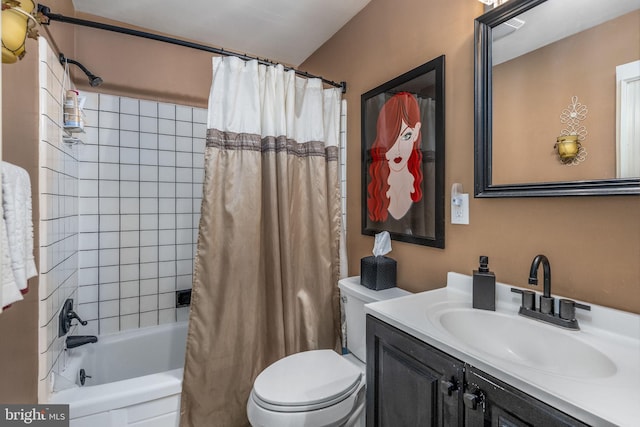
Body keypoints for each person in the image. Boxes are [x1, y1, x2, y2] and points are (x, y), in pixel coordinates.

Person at [367, 92, 423, 225]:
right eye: (390, 140)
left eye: (406, 136)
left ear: (416, 132)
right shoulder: (379, 183)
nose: (397, 149)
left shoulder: (418, 183)